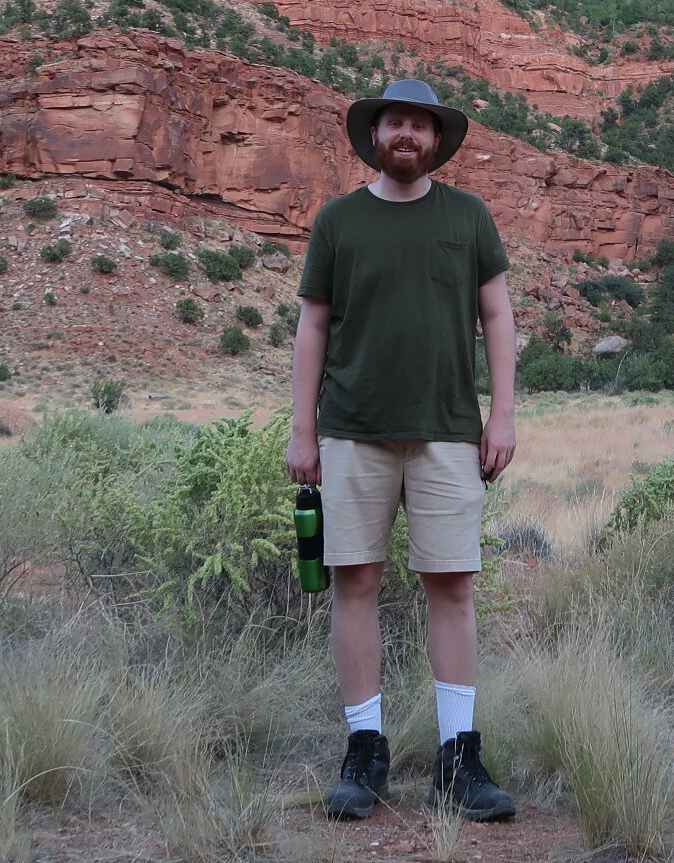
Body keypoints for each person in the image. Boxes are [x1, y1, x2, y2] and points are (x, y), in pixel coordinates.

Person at [287, 79, 519, 821]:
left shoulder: (469, 216)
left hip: (449, 428)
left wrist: (503, 414)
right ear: (376, 135)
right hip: (352, 427)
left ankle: (459, 759)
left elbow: (498, 317)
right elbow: (312, 328)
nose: (407, 135)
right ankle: (365, 754)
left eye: (420, 124)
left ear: (435, 139)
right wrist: (302, 427)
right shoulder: (339, 221)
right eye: (396, 123)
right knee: (354, 585)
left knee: (451, 589)